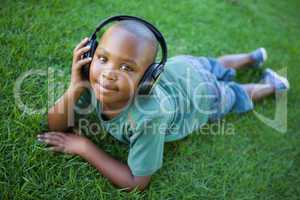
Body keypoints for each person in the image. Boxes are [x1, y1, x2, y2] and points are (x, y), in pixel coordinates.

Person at [37, 20, 289, 192]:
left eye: (127, 67)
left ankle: (272, 84)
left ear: (148, 77)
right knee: (216, 64)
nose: (108, 73)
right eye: (102, 58)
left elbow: (137, 182)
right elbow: (56, 124)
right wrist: (75, 86)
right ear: (91, 54)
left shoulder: (148, 115)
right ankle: (253, 58)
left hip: (202, 96)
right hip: (184, 67)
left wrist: (84, 146)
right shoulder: (92, 79)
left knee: (235, 94)